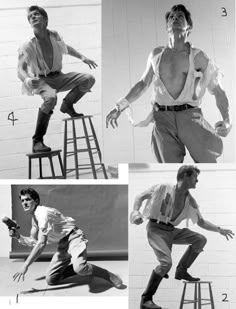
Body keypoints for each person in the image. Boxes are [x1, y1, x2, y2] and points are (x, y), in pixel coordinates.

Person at [106, 4, 232, 163]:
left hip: (191, 117)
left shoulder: (198, 57)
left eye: (180, 17)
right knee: (169, 170)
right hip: (162, 119)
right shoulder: (156, 55)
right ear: (167, 27)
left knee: (207, 165)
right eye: (172, 17)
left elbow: (219, 91)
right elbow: (143, 83)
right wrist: (120, 106)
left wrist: (228, 121)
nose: (175, 19)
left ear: (188, 27)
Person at [130, 165, 234, 309]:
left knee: (200, 239)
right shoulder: (162, 187)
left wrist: (219, 229)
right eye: (195, 177)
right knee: (165, 263)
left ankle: (182, 270)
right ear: (186, 175)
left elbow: (201, 222)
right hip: (156, 229)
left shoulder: (190, 200)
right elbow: (140, 196)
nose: (197, 181)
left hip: (172, 230)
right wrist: (136, 212)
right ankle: (146, 300)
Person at [17, 6, 97, 153]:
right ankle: (37, 141)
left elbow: (65, 48)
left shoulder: (54, 35)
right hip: (41, 80)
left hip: (59, 76)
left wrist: (82, 57)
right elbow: (20, 69)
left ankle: (67, 105)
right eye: (30, 17)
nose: (33, 17)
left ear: (45, 19)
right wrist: (27, 80)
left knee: (88, 78)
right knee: (50, 99)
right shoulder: (27, 44)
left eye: (36, 15)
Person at [9, 187, 123, 289]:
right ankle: (78, 266)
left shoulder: (42, 214)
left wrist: (25, 266)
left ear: (36, 201)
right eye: (22, 200)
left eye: (28, 200)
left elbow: (41, 244)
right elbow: (34, 242)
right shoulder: (34, 219)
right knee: (51, 279)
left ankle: (108, 275)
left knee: (80, 268)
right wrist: (18, 236)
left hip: (74, 237)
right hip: (63, 243)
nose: (24, 203)